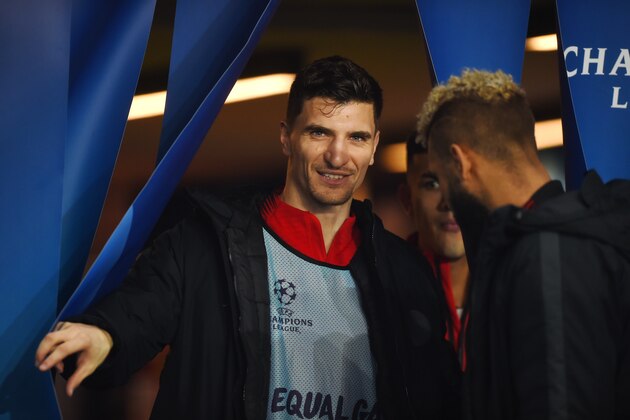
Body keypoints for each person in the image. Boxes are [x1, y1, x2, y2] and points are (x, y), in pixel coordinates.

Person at [36, 56, 460, 419]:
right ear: (286, 137)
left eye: (357, 138)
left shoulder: (399, 271)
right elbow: (138, 313)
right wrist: (103, 335)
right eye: (319, 133)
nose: (338, 155)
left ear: (374, 146)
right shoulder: (205, 245)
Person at [416, 68, 630, 419]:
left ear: (461, 162)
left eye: (441, 180)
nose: (446, 201)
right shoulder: (562, 241)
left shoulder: (547, 254)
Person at [398, 131, 469, 353]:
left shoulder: (515, 286)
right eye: (432, 184)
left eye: (461, 182)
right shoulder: (385, 293)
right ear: (407, 199)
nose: (448, 202)